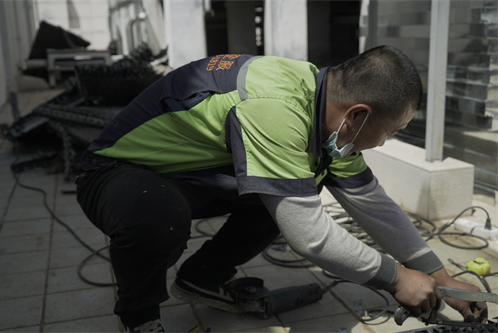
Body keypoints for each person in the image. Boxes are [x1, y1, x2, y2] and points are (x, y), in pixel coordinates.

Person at [76, 45, 487, 332]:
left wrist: (441, 276)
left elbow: (373, 204)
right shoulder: (275, 107)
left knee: (283, 191)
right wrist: (396, 278)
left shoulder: (328, 107)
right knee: (159, 217)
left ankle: (201, 278)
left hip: (187, 175)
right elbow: (308, 236)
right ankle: (138, 316)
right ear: (358, 116)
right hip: (116, 172)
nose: (384, 142)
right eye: (390, 131)